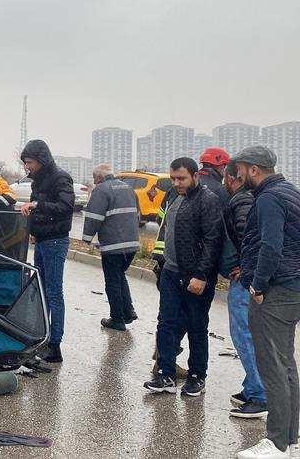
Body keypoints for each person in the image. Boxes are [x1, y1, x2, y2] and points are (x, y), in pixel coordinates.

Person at [235, 146, 300, 459]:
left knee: (273, 367)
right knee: (286, 365)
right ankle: (290, 441)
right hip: (292, 288)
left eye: (241, 169)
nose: (238, 175)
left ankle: (275, 443)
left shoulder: (269, 198)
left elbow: (270, 246)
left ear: (254, 169)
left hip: (274, 291)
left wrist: (258, 285)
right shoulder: (290, 191)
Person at [145, 157, 222, 397]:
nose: (177, 183)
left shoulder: (208, 201)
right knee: (166, 324)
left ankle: (197, 376)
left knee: (197, 326)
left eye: (182, 178)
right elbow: (164, 228)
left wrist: (201, 275)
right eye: (174, 178)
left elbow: (213, 241)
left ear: (196, 176)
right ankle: (166, 375)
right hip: (171, 272)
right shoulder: (173, 196)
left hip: (195, 277)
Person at [19, 139, 73, 362]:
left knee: (53, 292)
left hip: (55, 242)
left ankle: (55, 344)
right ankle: (43, 337)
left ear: (41, 159)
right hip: (42, 240)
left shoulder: (60, 177)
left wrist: (37, 206)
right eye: (25, 163)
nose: (27, 166)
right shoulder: (38, 180)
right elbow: (37, 206)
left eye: (30, 162)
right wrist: (33, 229)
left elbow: (65, 207)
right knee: (42, 292)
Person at [222, 160, 267, 420]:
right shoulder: (253, 197)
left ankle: (260, 395)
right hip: (252, 276)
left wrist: (244, 267)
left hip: (245, 280)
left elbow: (248, 236)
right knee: (251, 335)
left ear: (231, 177)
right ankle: (252, 387)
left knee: (244, 335)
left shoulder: (241, 200)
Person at [81, 164, 141, 331]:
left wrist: (87, 238)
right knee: (120, 276)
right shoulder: (128, 188)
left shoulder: (101, 190)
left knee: (112, 281)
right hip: (132, 244)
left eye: (94, 178)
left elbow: (94, 216)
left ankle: (117, 319)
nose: (94, 181)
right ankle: (128, 311)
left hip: (113, 244)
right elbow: (137, 214)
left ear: (99, 177)